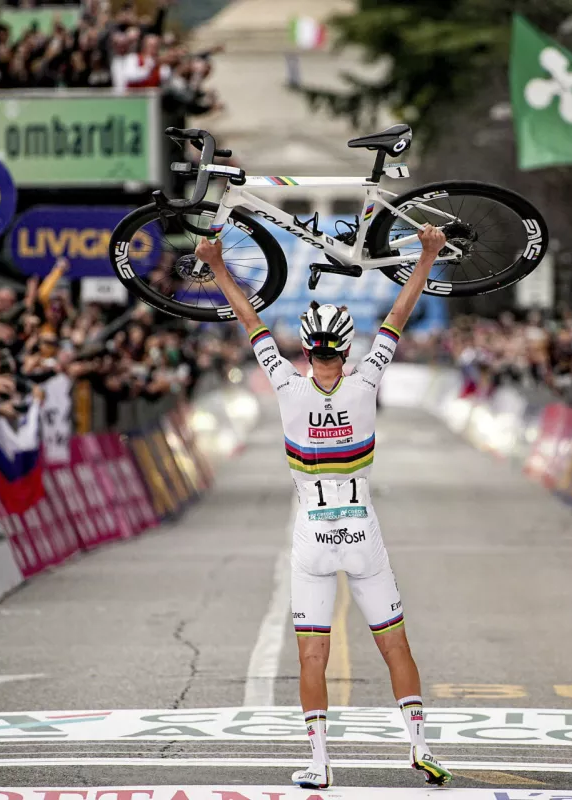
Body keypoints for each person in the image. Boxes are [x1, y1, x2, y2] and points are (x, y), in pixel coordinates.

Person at [194, 225, 453, 791]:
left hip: (311, 538)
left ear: (308, 351)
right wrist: (428, 254)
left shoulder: (287, 384)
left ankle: (319, 762)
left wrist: (216, 263)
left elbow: (251, 321)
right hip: (363, 535)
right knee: (395, 645)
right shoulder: (366, 382)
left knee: (312, 658)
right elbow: (401, 313)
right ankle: (420, 747)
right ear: (347, 348)